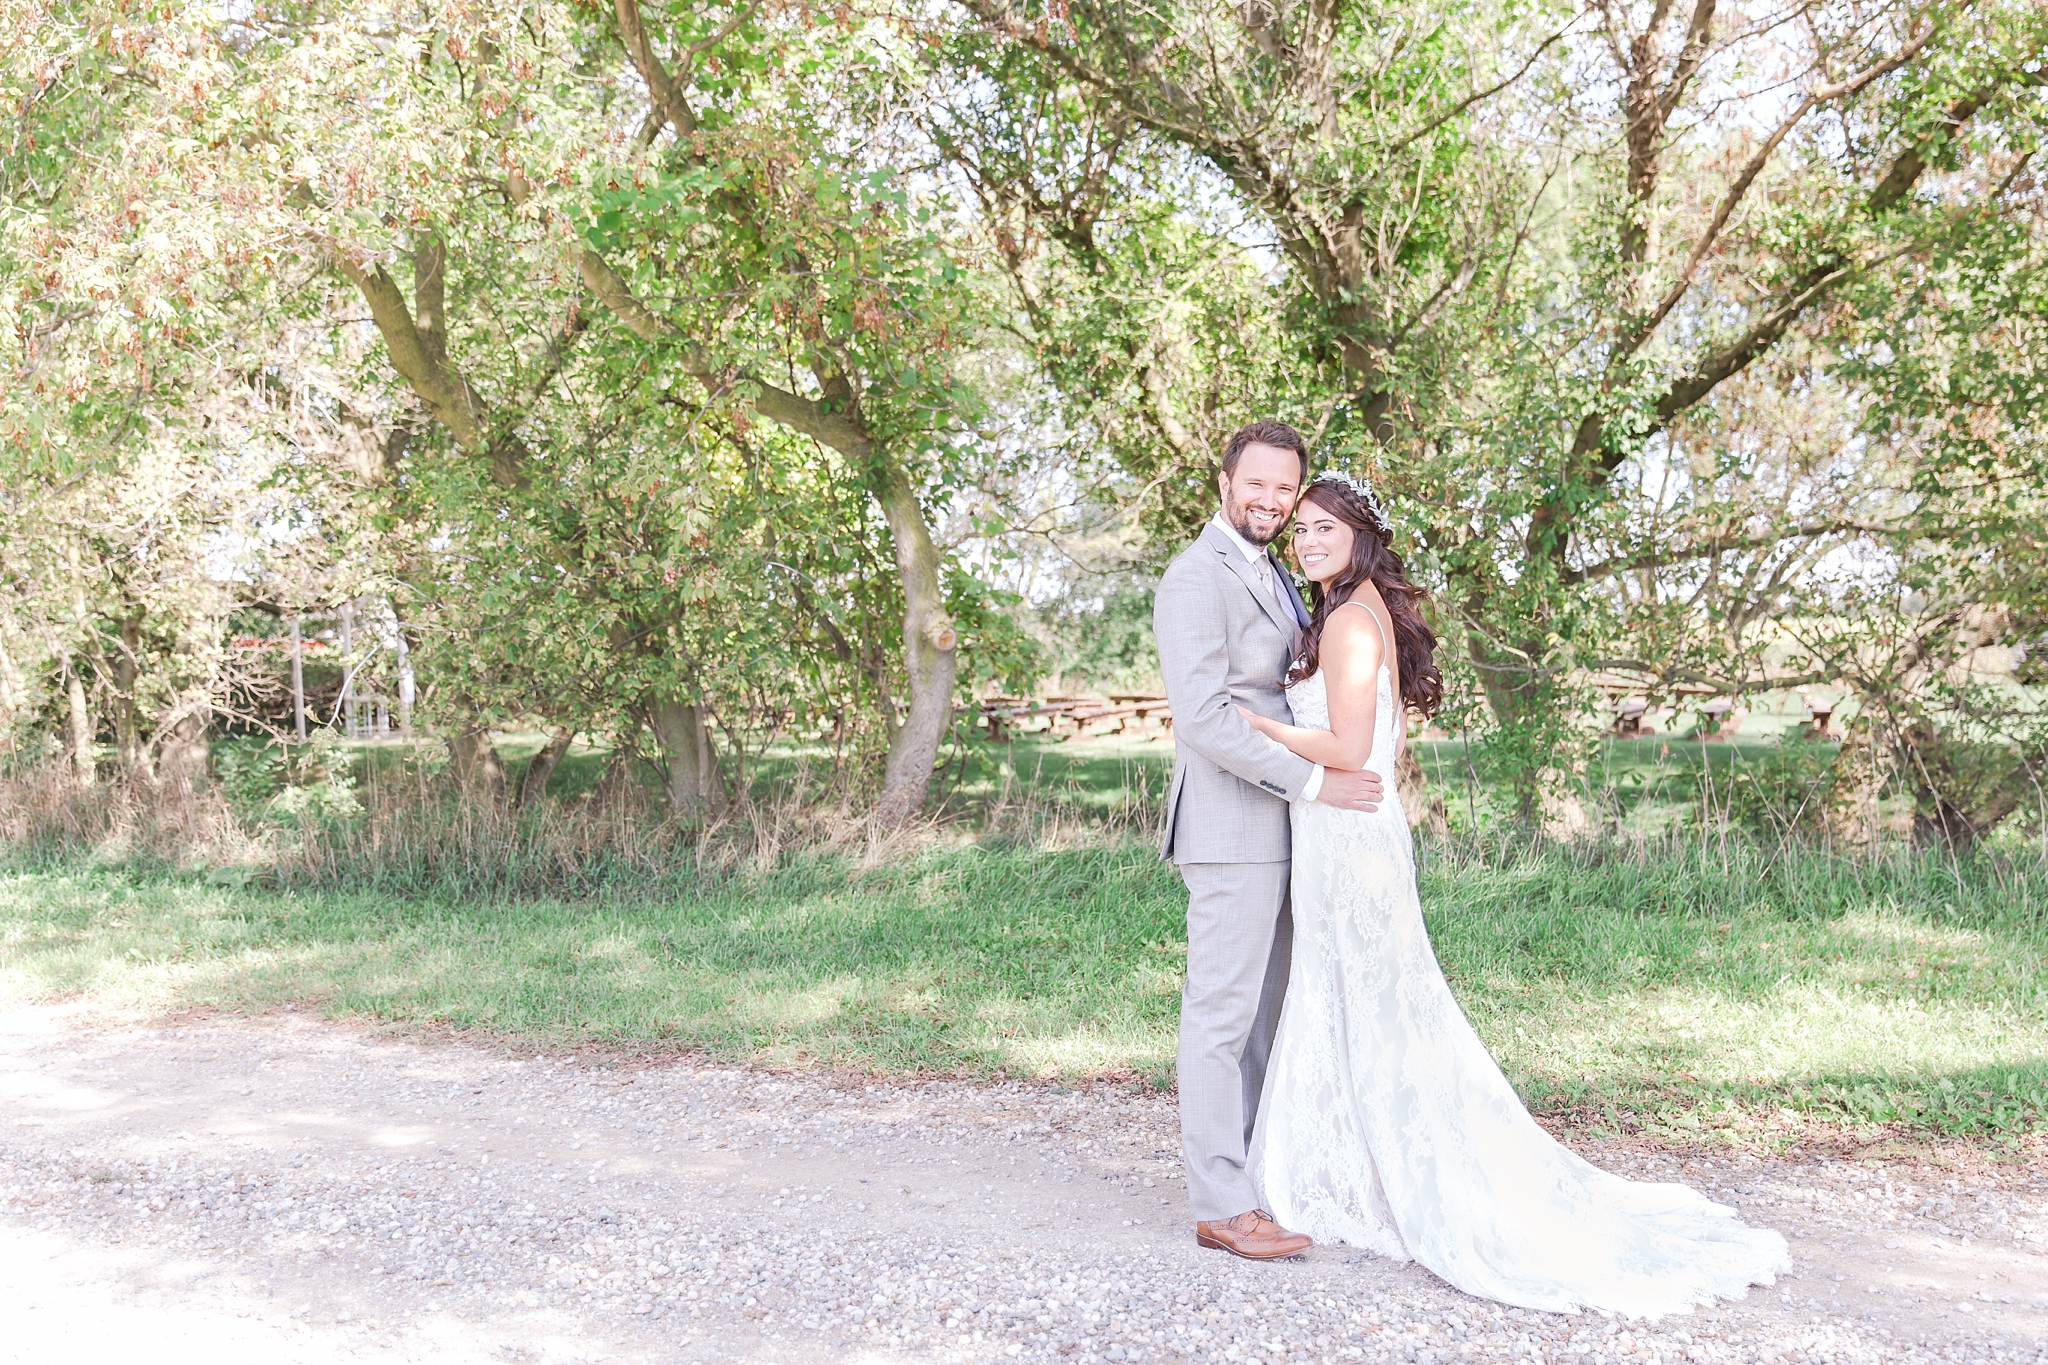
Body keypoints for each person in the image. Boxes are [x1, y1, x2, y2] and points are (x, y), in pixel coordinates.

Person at [1238, 468, 1791, 1314]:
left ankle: (1405, 1174)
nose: (1307, 539)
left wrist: (1253, 722)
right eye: (1300, 528)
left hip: (1351, 839)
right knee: (1357, 1001)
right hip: (1343, 837)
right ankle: (1353, 1164)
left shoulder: (1350, 621)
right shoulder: (1349, 611)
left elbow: (1349, 748)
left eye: (1324, 527)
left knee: (1381, 1007)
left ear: (1360, 537)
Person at [1152, 419, 1387, 1262]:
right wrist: (1318, 780)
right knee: (1220, 1015)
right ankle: (1220, 1204)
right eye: (1258, 484)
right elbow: (1208, 718)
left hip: (1289, 830)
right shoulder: (1193, 578)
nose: (1273, 501)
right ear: (1224, 480)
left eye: (1286, 490)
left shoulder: (1279, 575)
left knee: (1267, 1018)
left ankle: (1255, 1173)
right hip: (1229, 824)